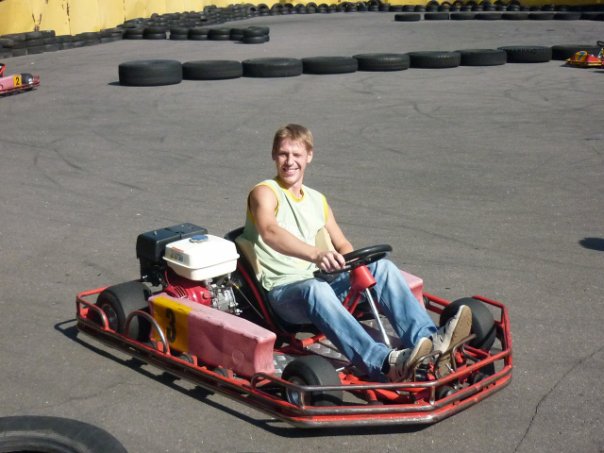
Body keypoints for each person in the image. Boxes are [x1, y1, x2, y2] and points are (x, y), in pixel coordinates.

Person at [240, 124, 471, 381]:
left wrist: (351, 264)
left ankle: (429, 343)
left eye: (296, 155)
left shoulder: (317, 200)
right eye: (283, 154)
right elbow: (269, 231)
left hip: (320, 280)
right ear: (274, 155)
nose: (289, 162)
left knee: (381, 267)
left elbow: (343, 245)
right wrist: (317, 255)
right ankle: (383, 363)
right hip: (284, 293)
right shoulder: (265, 192)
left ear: (309, 156)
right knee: (316, 289)